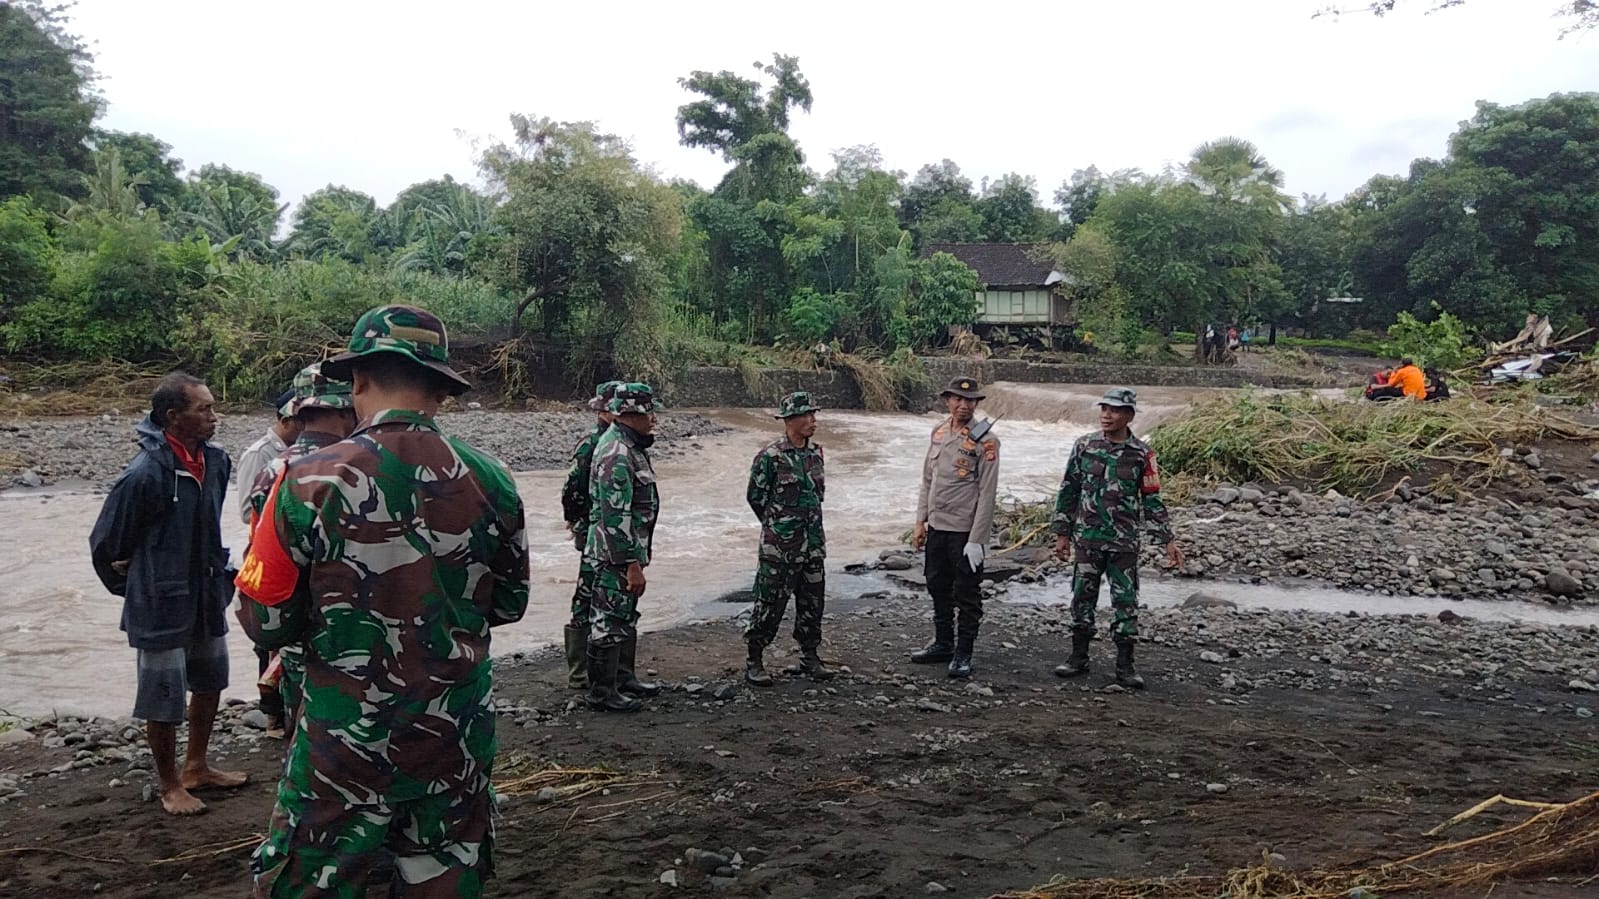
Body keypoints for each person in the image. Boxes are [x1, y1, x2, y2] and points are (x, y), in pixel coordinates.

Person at [236, 305, 530, 897]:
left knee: (309, 879)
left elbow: (263, 619)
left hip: (344, 741)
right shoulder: (493, 480)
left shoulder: (303, 480)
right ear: (440, 390)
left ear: (359, 381)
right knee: (442, 877)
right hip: (453, 735)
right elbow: (510, 603)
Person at [88, 371, 247, 816]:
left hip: (206, 592)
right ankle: (168, 784)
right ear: (173, 417)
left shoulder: (216, 463)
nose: (215, 417)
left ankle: (197, 766)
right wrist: (138, 587)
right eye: (205, 409)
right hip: (160, 602)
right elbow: (106, 546)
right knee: (163, 695)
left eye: (213, 406)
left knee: (211, 680)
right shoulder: (143, 475)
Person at [237, 362, 358, 736]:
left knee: (303, 736)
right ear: (345, 409)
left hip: (294, 637)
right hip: (355, 638)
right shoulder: (357, 466)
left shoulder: (276, 468)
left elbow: (263, 557)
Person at [1051, 388, 1183, 689]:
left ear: (1129, 415)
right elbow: (1069, 489)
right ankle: (1078, 657)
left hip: (1123, 542)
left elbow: (1152, 498)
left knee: (1125, 602)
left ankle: (1125, 665)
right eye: (1104, 409)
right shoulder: (1084, 446)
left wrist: (1167, 540)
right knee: (1082, 598)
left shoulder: (1142, 454)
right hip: (1087, 539)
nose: (1106, 415)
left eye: (1114, 410)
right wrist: (1062, 533)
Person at [910, 376, 1000, 679]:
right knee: (937, 585)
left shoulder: (986, 441)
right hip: (938, 526)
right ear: (946, 400)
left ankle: (964, 653)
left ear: (976, 404)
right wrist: (920, 521)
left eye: (970, 400)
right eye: (958, 399)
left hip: (964, 530)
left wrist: (978, 540)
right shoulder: (937, 433)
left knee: (967, 593)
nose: (963, 405)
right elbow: (927, 480)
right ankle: (944, 643)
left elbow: (988, 493)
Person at [743, 391, 834, 686]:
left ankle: (810, 657)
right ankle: (755, 659)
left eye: (814, 414)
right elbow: (755, 497)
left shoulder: (815, 453)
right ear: (789, 421)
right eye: (807, 416)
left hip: (812, 547)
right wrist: (777, 527)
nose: (813, 421)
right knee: (768, 605)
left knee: (813, 604)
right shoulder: (771, 457)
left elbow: (817, 497)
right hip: (779, 549)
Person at [583, 382, 664, 712]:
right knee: (608, 620)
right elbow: (614, 515)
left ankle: (622, 678)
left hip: (627, 552)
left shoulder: (630, 445)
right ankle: (602, 693)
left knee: (624, 615)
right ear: (633, 415)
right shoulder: (616, 452)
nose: (654, 420)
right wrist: (631, 564)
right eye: (650, 413)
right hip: (615, 554)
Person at [235, 388, 304, 736]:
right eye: (299, 421)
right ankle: (271, 714)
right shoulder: (259, 455)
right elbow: (247, 508)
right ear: (285, 420)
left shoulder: (303, 454)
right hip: (264, 550)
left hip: (289, 550)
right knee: (267, 634)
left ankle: (284, 710)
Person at [558, 380, 621, 690]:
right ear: (605, 411)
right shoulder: (592, 444)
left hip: (609, 532)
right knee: (586, 594)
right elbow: (572, 490)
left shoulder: (622, 443)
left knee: (612, 594)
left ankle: (613, 668)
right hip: (593, 530)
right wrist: (577, 523)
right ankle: (579, 672)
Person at [236, 391, 303, 525]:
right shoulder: (259, 454)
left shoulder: (303, 450)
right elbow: (248, 512)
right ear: (285, 422)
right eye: (303, 422)